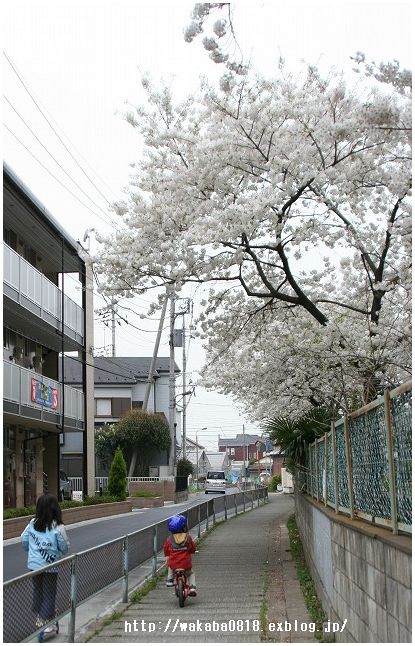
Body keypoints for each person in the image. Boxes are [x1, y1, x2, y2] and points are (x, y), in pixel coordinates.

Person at [21, 494, 70, 634]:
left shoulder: (32, 523)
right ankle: (44, 621)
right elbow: (64, 547)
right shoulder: (58, 526)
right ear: (56, 509)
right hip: (50, 566)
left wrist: (31, 550)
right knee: (49, 594)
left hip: (34, 565)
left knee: (38, 591)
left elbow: (24, 541)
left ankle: (40, 616)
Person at [163, 514, 197, 596]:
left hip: (174, 563)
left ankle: (170, 580)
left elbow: (166, 550)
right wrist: (192, 551)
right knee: (191, 573)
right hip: (186, 563)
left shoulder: (169, 539)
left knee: (170, 566)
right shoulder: (188, 538)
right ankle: (192, 588)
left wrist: (167, 554)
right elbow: (192, 548)